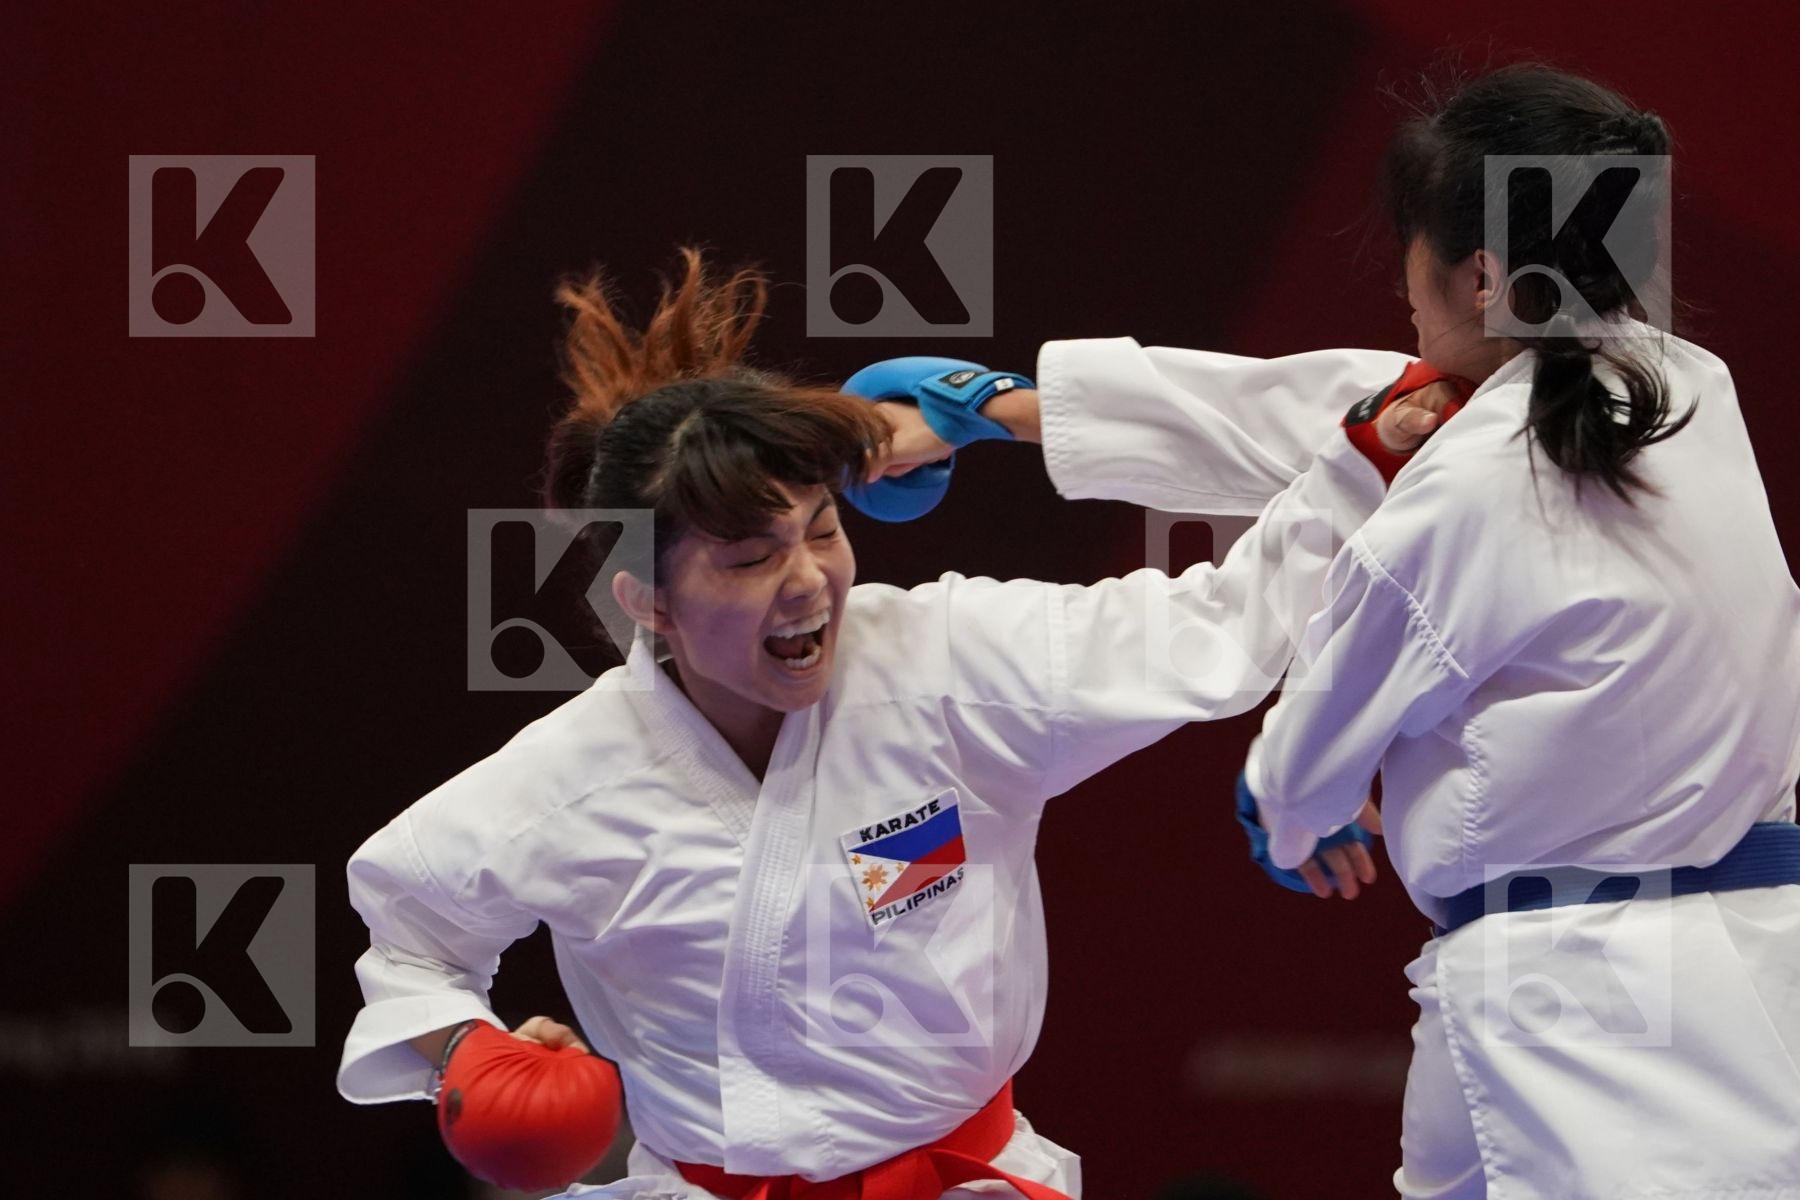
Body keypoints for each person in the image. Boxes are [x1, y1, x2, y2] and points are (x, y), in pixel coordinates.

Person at [336, 247, 1448, 1199]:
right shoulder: (569, 779)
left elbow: (1220, 626)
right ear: (647, 600)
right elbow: (412, 932)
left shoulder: (948, 662)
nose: (810, 581)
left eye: (820, 529)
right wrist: (469, 1054)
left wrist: (1363, 466)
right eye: (751, 557)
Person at [1237, 65, 1800, 1196]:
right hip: (1749, 946)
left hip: (1576, 992)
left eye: (1408, 250)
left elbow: (1311, 747)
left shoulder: (1467, 485)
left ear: (1482, 272)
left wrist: (1290, 815)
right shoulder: (1701, 387)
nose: (1402, 290)